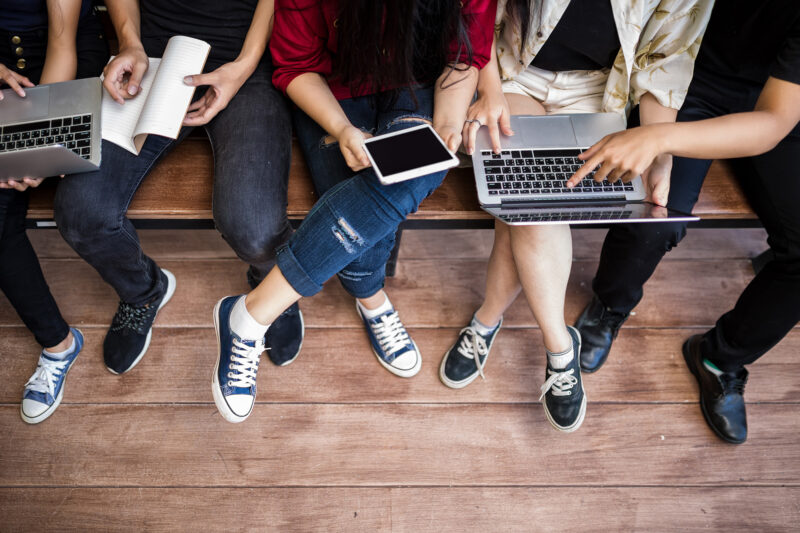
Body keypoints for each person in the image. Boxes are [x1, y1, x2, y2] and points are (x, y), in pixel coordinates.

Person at [210, 0, 495, 423]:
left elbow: (463, 52)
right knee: (354, 207)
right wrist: (342, 128)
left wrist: (449, 123)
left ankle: (251, 315)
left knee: (411, 174)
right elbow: (295, 65)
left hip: (418, 82)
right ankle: (372, 299)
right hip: (331, 88)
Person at [438, 0, 713, 433]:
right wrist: (488, 89)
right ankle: (560, 348)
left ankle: (487, 319)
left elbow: (665, 57)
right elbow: (476, 15)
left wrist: (659, 149)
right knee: (527, 198)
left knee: (524, 206)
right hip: (512, 75)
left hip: (599, 92)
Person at [572, 0, 800, 444]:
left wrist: (658, 139)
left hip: (776, 102)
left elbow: (773, 122)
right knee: (656, 216)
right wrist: (659, 136)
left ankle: (720, 358)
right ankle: (610, 306)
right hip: (683, 74)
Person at [53, 0, 303, 376]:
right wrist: (130, 43)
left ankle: (273, 289)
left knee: (255, 229)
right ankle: (143, 291)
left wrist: (243, 66)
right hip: (156, 55)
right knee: (81, 213)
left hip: (245, 62)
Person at [0, 0, 108, 423]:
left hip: (63, 59)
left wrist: (30, 146)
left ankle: (58, 344)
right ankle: (59, 344)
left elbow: (64, 43)